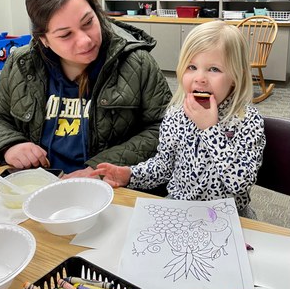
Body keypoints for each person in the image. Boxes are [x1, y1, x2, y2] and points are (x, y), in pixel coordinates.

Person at [0, 0, 172, 178]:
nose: (85, 41)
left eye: (88, 22)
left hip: (109, 187)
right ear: (44, 39)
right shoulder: (22, 63)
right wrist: (11, 145)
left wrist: (98, 168)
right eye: (65, 35)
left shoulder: (137, 62)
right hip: (42, 183)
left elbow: (163, 128)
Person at [91, 20, 266, 218]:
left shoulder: (248, 120)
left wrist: (210, 129)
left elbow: (240, 182)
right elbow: (164, 166)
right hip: (180, 207)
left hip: (230, 214)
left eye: (214, 69)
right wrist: (131, 175)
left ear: (236, 76)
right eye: (192, 66)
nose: (200, 78)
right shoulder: (176, 115)